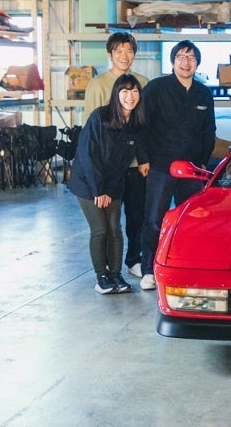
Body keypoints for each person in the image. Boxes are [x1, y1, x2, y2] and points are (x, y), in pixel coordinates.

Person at [136, 40, 216, 290]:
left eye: (191, 58)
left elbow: (209, 131)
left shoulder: (204, 94)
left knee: (189, 221)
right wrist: (143, 158)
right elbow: (141, 125)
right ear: (173, 61)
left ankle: (186, 266)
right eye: (181, 56)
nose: (186, 62)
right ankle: (149, 269)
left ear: (197, 64)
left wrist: (202, 163)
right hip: (160, 166)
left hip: (192, 170)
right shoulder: (156, 88)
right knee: (154, 219)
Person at [68, 74, 145, 294]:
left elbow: (122, 162)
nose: (130, 96)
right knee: (100, 229)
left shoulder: (135, 123)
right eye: (125, 91)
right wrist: (99, 190)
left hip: (113, 182)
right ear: (116, 94)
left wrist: (110, 189)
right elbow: (89, 156)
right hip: (88, 183)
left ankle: (116, 274)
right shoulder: (100, 117)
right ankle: (101, 277)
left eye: (135, 91)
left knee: (115, 230)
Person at [84, 32, 150, 280]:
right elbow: (91, 133)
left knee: (137, 216)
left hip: (133, 165)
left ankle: (134, 259)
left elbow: (143, 126)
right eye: (119, 51)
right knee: (108, 224)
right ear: (110, 54)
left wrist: (143, 158)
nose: (124, 55)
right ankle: (107, 270)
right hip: (108, 167)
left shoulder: (143, 82)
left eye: (129, 50)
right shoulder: (97, 84)